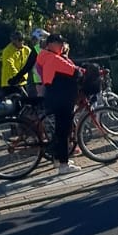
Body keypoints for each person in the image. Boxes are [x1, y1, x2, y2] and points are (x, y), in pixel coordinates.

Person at [34, 33, 84, 173]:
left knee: (59, 131)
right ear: (50, 44)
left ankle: (58, 159)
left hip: (54, 96)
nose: (62, 46)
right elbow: (75, 71)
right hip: (63, 98)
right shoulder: (54, 59)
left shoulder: (44, 56)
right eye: (59, 43)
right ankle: (64, 165)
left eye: (63, 43)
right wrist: (88, 71)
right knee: (64, 131)